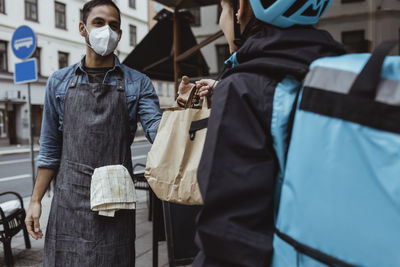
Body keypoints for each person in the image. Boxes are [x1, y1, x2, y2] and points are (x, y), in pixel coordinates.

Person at [179, 0, 346, 266]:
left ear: (241, 8)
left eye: (224, 7)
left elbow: (229, 238)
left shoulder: (243, 90)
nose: (222, 19)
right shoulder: (341, 72)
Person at [24, 0, 162, 266]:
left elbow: (156, 130)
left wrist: (180, 116)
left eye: (114, 25)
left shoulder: (138, 82)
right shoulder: (59, 83)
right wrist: (35, 201)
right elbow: (50, 148)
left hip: (114, 204)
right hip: (69, 203)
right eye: (98, 22)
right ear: (82, 28)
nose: (106, 30)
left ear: (120, 34)